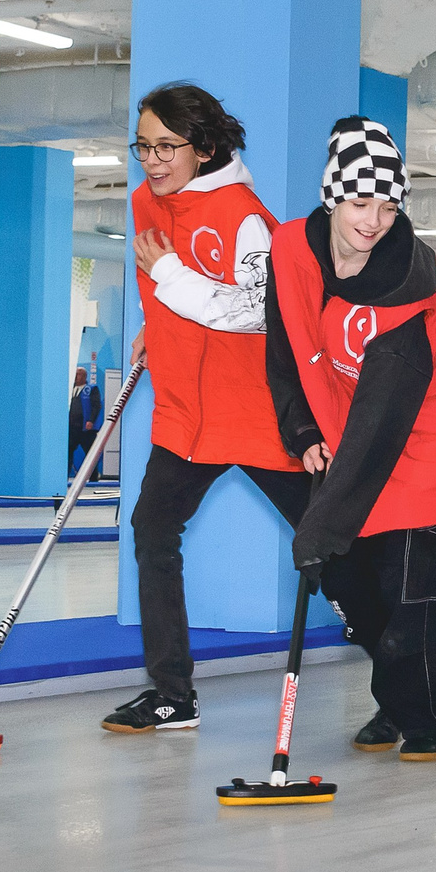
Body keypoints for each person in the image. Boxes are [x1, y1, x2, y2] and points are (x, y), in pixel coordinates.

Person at [104, 83, 309, 735]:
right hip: (188, 416)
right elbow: (161, 289)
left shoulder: (245, 216)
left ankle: (403, 684)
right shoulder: (144, 202)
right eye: (144, 145)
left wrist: (169, 281)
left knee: (332, 547)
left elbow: (260, 312)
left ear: (206, 147)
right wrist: (155, 328)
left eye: (168, 146)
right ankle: (172, 694)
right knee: (152, 531)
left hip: (255, 413)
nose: (153, 160)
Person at [265, 117, 436, 760]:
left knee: (414, 600)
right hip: (345, 437)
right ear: (332, 195)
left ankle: (428, 717)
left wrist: (321, 524)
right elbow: (285, 348)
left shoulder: (408, 289)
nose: (375, 218)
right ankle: (397, 697)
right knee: (357, 592)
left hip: (418, 444)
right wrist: (301, 432)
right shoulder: (294, 250)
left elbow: (384, 418)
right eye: (360, 201)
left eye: (388, 204)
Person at [67, 365, 103, 478]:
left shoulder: (91, 389)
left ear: (84, 376)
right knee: (68, 452)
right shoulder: (70, 389)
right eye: (75, 374)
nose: (76, 377)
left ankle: (93, 477)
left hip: (86, 429)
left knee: (90, 453)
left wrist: (91, 421)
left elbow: (97, 406)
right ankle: (65, 475)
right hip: (72, 428)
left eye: (78, 374)